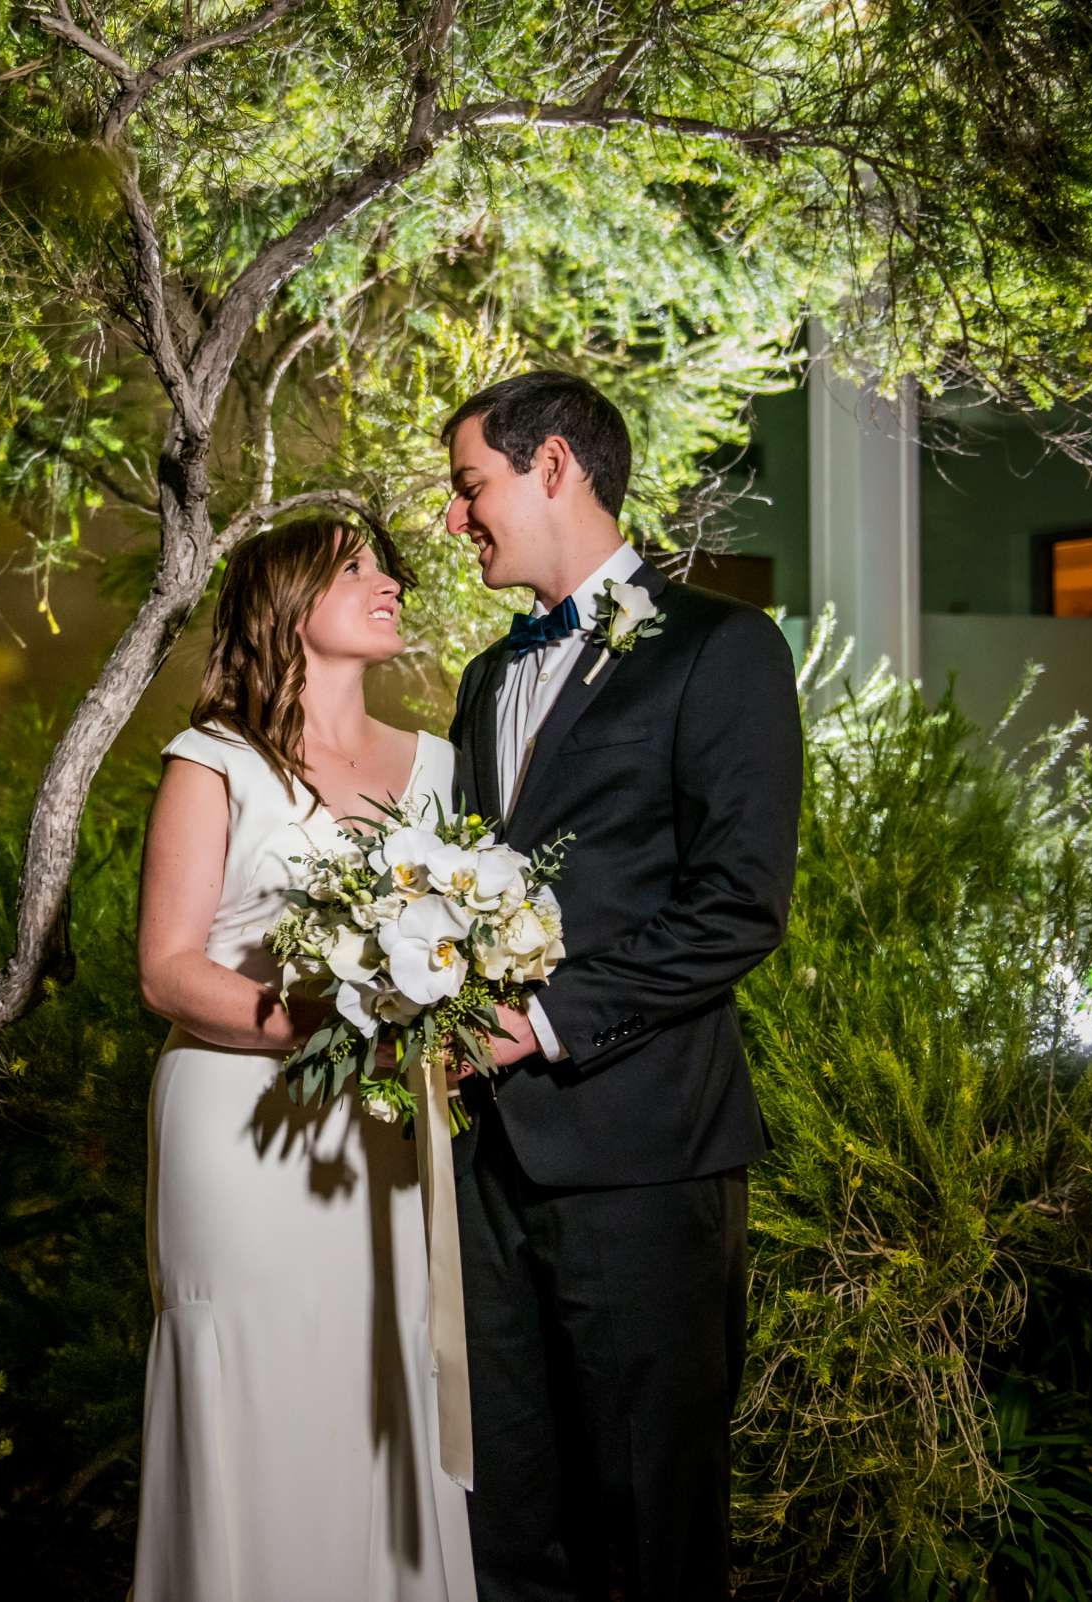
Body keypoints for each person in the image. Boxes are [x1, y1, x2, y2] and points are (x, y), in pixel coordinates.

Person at [440, 371, 802, 1602]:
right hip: (486, 1163)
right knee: (507, 1517)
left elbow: (739, 906)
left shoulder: (723, 650)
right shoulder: (489, 678)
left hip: (646, 1153)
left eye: (468, 485)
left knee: (651, 1519)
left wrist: (539, 1024)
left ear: (554, 469)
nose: (455, 517)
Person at [131, 520, 477, 1602]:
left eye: (387, 567)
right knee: (252, 1385)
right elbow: (169, 970)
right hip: (239, 1129)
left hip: (378, 1135)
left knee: (379, 1378)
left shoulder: (439, 768)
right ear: (286, 606)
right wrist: (331, 1027)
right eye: (356, 570)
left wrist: (451, 1031)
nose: (390, 583)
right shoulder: (214, 762)